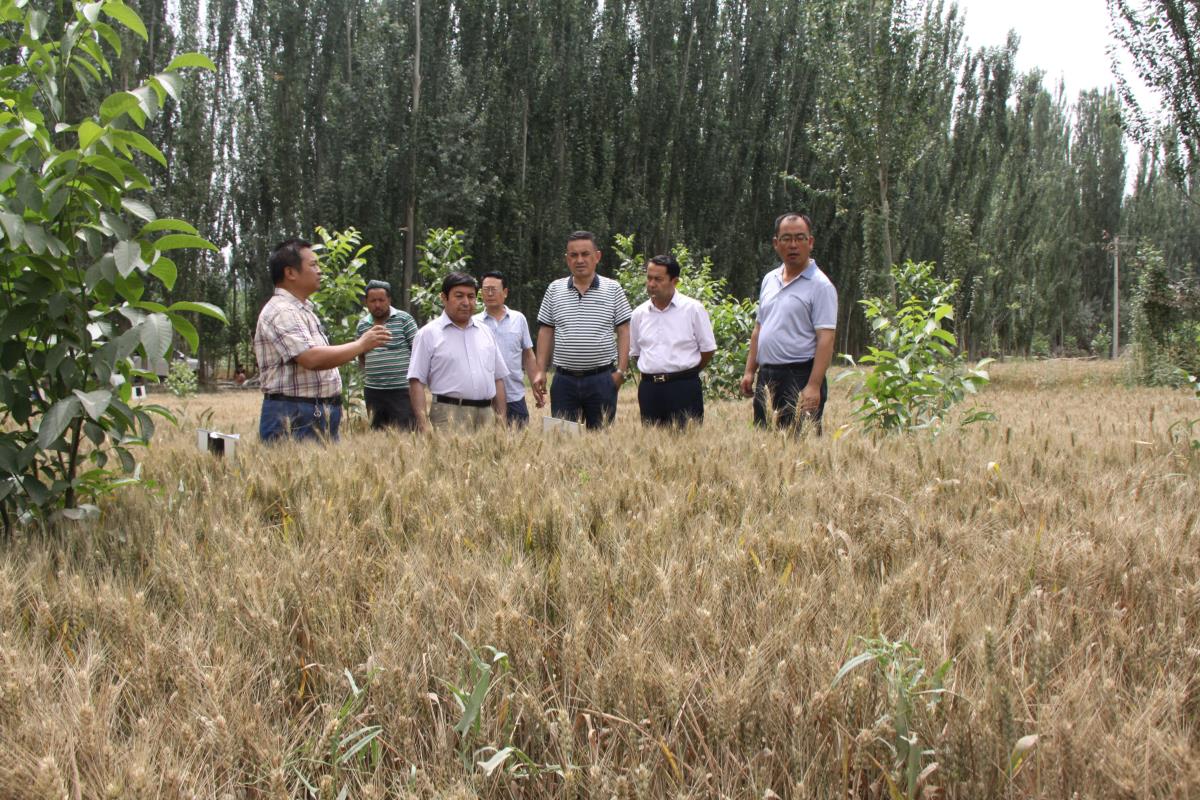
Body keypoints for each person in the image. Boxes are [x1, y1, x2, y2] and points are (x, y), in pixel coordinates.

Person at [254, 238, 390, 442]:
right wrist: (361, 344)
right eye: (313, 264)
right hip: (295, 414)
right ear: (290, 272)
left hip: (313, 412)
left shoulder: (303, 310)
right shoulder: (281, 311)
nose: (319, 271)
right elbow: (311, 358)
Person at [740, 212, 838, 433]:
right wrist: (749, 371)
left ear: (810, 242)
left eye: (800, 238)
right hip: (767, 376)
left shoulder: (820, 286)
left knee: (799, 445)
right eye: (786, 238)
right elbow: (759, 329)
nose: (793, 245)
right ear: (776, 243)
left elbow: (826, 338)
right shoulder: (769, 279)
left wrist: (813, 385)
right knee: (764, 442)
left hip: (799, 376)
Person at [533, 231, 632, 429]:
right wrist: (540, 371)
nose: (579, 260)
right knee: (562, 443)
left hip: (602, 379)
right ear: (567, 259)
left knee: (601, 443)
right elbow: (546, 331)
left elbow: (624, 330)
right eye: (574, 255)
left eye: (585, 254)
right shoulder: (554, 289)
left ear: (597, 256)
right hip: (564, 382)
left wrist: (621, 371)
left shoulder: (613, 289)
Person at [408, 272, 508, 432]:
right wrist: (423, 424)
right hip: (448, 415)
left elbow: (498, 379)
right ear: (444, 297)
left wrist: (502, 419)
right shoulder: (428, 334)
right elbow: (416, 382)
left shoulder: (486, 332)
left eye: (471, 296)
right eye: (459, 296)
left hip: (486, 415)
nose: (466, 302)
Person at [629, 254, 717, 426]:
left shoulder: (693, 309)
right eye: (649, 278)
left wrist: (686, 372)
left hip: (683, 388)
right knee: (652, 444)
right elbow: (636, 353)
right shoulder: (638, 314)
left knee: (688, 443)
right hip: (650, 390)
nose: (652, 284)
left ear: (675, 281)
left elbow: (708, 349)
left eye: (658, 279)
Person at [474, 271, 542, 427]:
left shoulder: (518, 319)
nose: (489, 294)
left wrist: (535, 385)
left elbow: (528, 355)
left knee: (518, 444)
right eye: (485, 289)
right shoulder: (474, 323)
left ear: (505, 292)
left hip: (514, 396)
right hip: (483, 399)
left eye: (494, 289)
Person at [356, 280, 419, 430]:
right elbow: (361, 355)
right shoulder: (363, 325)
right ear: (366, 302)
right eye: (373, 301)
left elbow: (418, 351)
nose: (377, 305)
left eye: (381, 300)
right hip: (373, 391)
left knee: (406, 433)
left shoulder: (404, 320)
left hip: (402, 391)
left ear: (389, 300)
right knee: (377, 434)